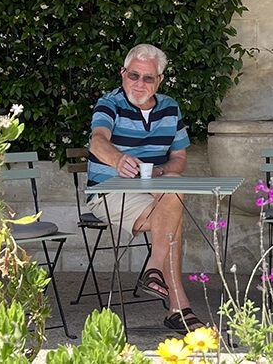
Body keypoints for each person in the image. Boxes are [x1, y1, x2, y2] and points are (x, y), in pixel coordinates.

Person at [87, 43, 205, 332]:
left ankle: (154, 267)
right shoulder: (109, 103)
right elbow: (97, 140)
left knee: (174, 184)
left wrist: (163, 171)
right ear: (123, 74)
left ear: (159, 80)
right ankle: (178, 307)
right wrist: (118, 159)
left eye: (147, 78)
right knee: (172, 221)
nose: (139, 83)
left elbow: (178, 157)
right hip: (110, 191)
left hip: (155, 190)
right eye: (133, 75)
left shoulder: (170, 108)